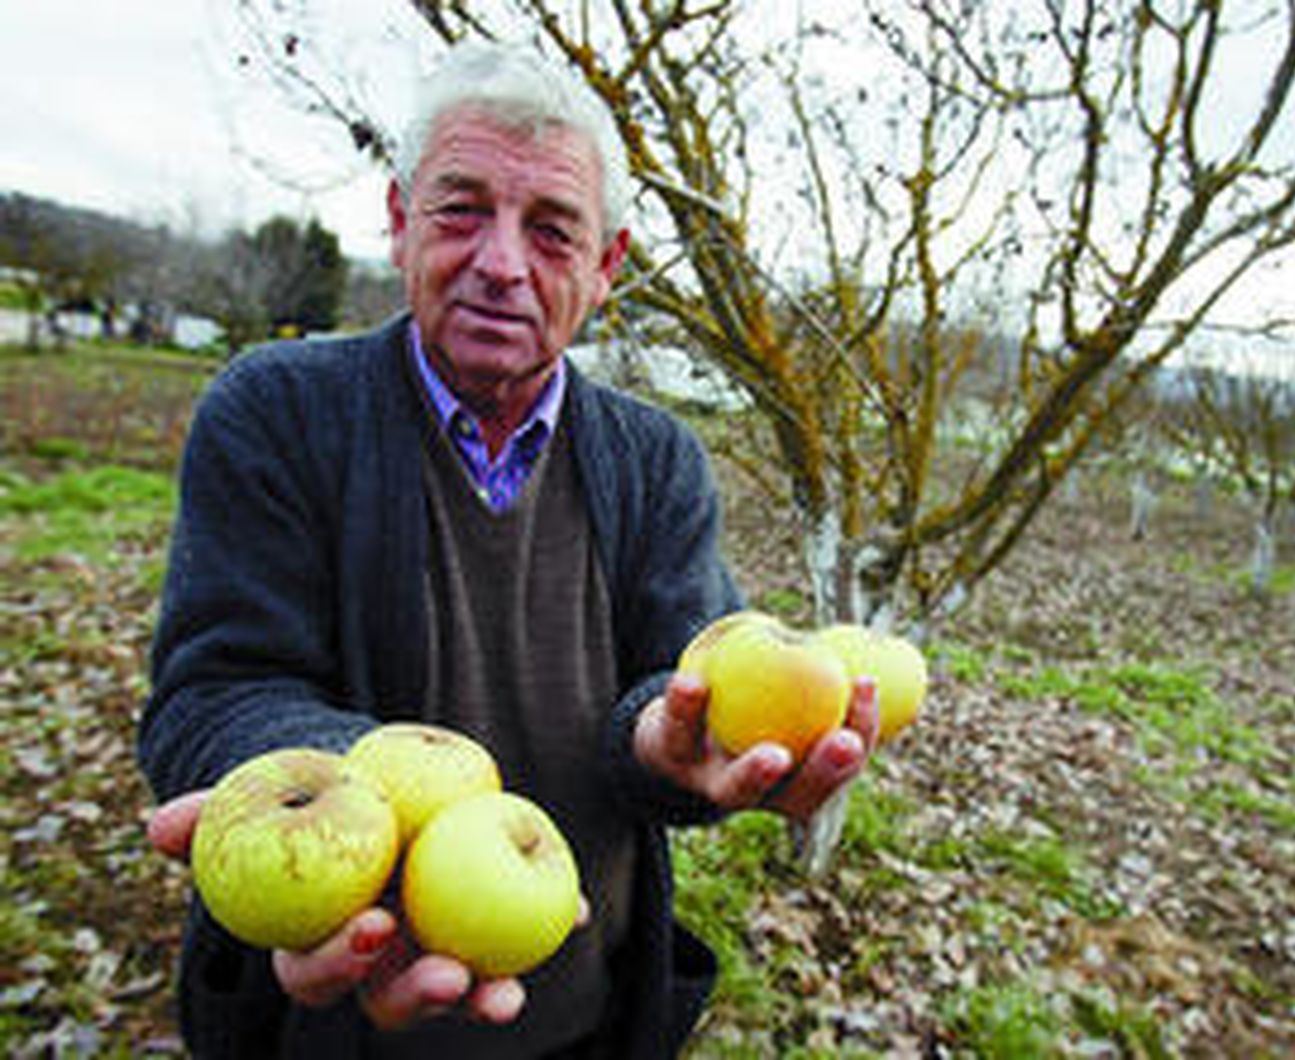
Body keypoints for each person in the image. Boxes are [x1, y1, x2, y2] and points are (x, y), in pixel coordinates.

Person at [138, 42, 876, 1059]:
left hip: (583, 1013)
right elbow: (213, 692)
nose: (500, 261)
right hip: (326, 1016)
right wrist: (362, 829)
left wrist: (672, 746)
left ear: (606, 267)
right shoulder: (275, 412)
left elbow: (678, 692)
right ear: (398, 222)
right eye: (459, 209)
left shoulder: (655, 462)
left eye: (552, 228)